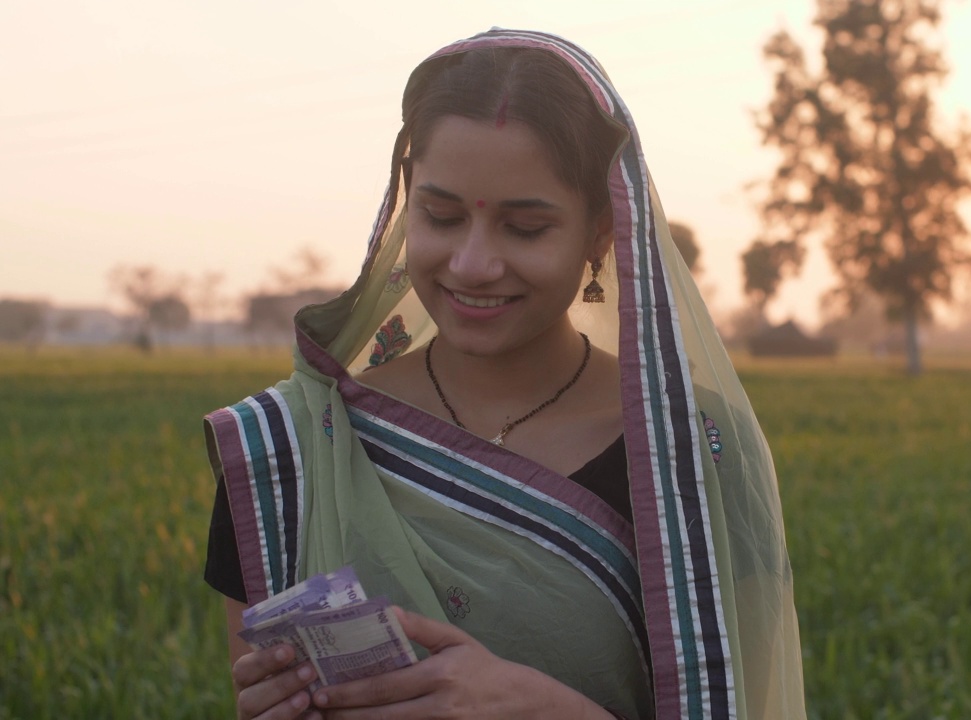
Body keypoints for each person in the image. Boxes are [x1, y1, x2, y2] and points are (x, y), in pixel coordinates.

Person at [203, 28, 806, 720]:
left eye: (524, 228)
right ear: (406, 207)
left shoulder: (690, 451)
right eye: (441, 215)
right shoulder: (289, 452)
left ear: (601, 232)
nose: (472, 264)